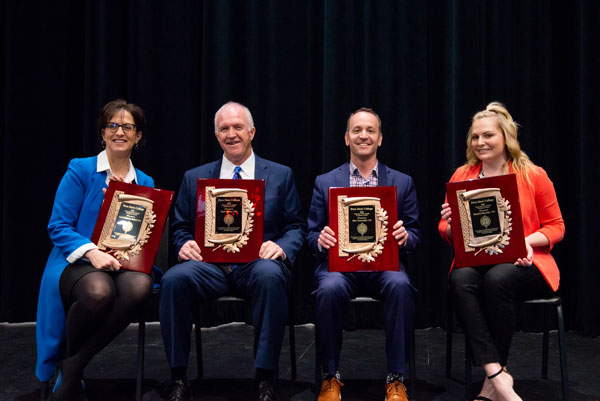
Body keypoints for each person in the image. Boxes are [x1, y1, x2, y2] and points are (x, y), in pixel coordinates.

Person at [160, 101, 305, 401]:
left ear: (251, 131)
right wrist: (182, 244)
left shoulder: (280, 175)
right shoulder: (194, 177)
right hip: (209, 266)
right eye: (224, 128)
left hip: (256, 264)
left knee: (270, 276)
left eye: (237, 127)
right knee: (174, 280)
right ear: (216, 135)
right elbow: (180, 226)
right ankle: (177, 376)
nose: (231, 134)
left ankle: (265, 376)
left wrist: (281, 246)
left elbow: (296, 226)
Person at [438, 102, 565, 401]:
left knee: (498, 280)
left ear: (505, 138)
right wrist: (451, 223)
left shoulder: (533, 174)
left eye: (488, 136)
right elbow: (444, 231)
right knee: (459, 279)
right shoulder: (462, 175)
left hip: (528, 261)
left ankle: (490, 385)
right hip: (477, 259)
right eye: (475, 137)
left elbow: (556, 226)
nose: (480, 142)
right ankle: (497, 376)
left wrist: (525, 242)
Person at [35, 99, 154, 401]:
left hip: (122, 263)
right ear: (102, 133)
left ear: (138, 136)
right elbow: (58, 226)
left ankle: (73, 365)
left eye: (127, 127)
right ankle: (71, 366)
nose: (119, 132)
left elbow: (144, 236)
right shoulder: (81, 169)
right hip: (76, 260)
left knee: (141, 286)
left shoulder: (145, 183)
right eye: (112, 125)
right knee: (100, 292)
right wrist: (92, 252)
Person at [307, 108, 420, 401]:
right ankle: (330, 377)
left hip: (385, 266)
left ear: (380, 139)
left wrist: (406, 238)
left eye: (370, 130)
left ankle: (396, 379)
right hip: (339, 267)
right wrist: (321, 239)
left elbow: (416, 235)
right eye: (357, 130)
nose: (363, 136)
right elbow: (310, 234)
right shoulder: (325, 181)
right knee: (328, 289)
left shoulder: (402, 182)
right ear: (346, 138)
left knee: (400, 285)